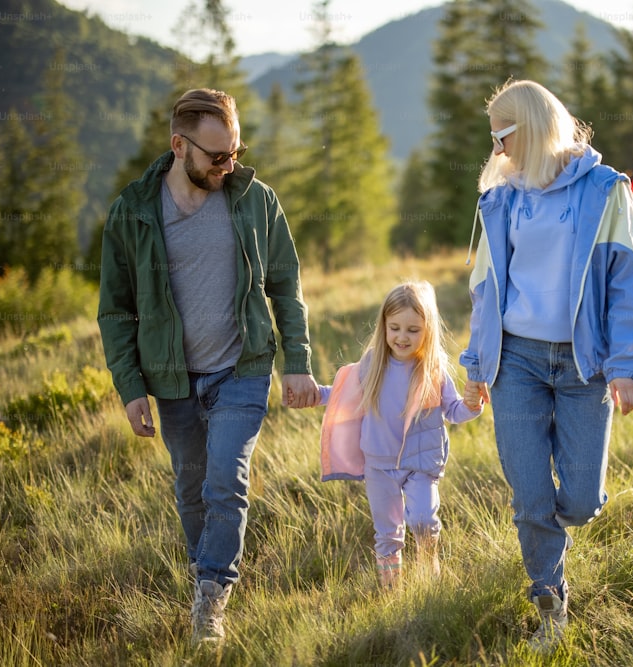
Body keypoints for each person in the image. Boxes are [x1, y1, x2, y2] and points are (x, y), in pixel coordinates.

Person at [97, 88, 320, 644]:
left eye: (236, 153)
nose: (229, 166)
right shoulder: (133, 212)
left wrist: (298, 362)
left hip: (241, 368)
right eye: (216, 156)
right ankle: (206, 577)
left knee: (226, 481)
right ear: (179, 145)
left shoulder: (254, 200)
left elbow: (286, 286)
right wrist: (130, 389)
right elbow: (116, 310)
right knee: (191, 487)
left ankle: (212, 598)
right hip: (172, 380)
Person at [460, 80, 633, 653]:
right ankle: (549, 598)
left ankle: (557, 528)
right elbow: (485, 289)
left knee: (579, 502)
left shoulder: (603, 190)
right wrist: (477, 362)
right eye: (492, 139)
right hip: (516, 361)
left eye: (503, 135)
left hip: (584, 366)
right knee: (529, 496)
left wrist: (626, 364)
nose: (496, 151)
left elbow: (630, 281)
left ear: (532, 127)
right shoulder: (500, 198)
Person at [315, 281, 482, 589]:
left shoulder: (433, 369)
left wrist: (473, 405)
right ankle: (393, 590)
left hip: (420, 462)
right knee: (387, 533)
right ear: (384, 326)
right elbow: (342, 395)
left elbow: (454, 411)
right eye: (395, 328)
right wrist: (314, 395)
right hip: (378, 464)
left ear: (428, 330)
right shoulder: (372, 365)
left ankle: (428, 559)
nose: (402, 337)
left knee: (422, 520)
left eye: (413, 330)